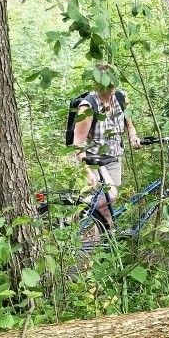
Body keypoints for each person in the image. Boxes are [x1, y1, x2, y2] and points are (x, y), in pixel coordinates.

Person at [71, 64, 141, 225]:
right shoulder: (88, 106)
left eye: (114, 83)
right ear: (98, 83)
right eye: (108, 84)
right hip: (94, 158)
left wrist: (133, 137)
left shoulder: (121, 98)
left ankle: (100, 246)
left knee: (107, 208)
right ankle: (75, 212)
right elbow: (78, 143)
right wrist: (87, 171)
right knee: (111, 195)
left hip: (114, 157)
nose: (112, 88)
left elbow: (129, 126)